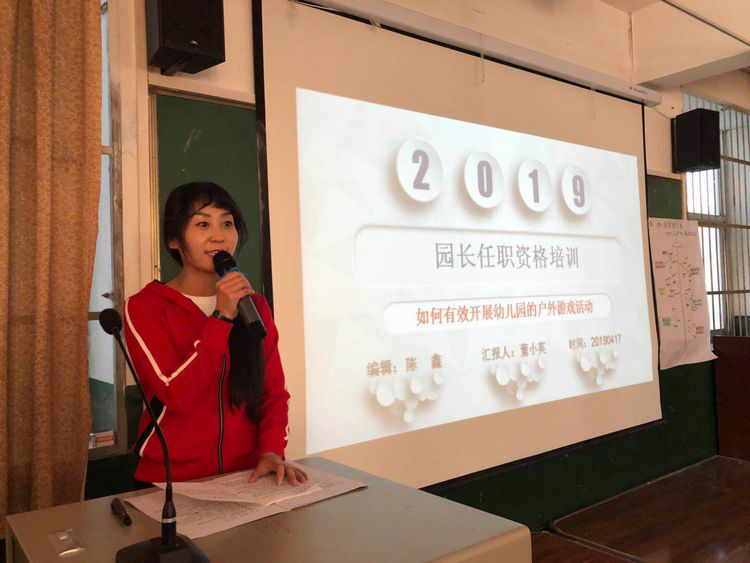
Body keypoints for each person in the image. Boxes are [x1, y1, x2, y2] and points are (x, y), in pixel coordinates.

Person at [123, 181, 306, 486]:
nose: (219, 236)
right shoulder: (145, 307)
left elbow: (273, 391)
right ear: (173, 240)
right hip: (170, 483)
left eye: (227, 223)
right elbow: (175, 394)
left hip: (246, 478)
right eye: (203, 224)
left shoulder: (255, 306)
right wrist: (221, 318)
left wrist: (272, 450)